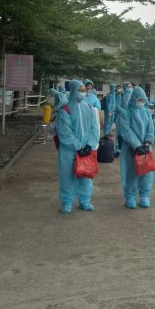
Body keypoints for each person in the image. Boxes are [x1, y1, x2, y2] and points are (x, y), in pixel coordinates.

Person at [55, 80, 99, 214]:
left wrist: (89, 145)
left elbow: (94, 127)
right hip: (69, 150)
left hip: (86, 149)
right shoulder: (65, 110)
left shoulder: (89, 108)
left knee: (85, 175)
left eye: (83, 90)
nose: (82, 93)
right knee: (67, 176)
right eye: (80, 90)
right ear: (73, 91)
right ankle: (67, 201)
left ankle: (85, 200)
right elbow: (65, 132)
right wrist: (78, 147)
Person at [117, 86, 155, 209]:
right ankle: (130, 196)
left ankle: (145, 196)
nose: (141, 102)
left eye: (143, 100)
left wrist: (148, 143)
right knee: (131, 173)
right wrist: (137, 145)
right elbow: (125, 131)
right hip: (131, 149)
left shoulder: (146, 112)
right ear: (134, 99)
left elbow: (150, 129)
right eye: (139, 100)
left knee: (146, 172)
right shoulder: (125, 113)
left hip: (145, 148)